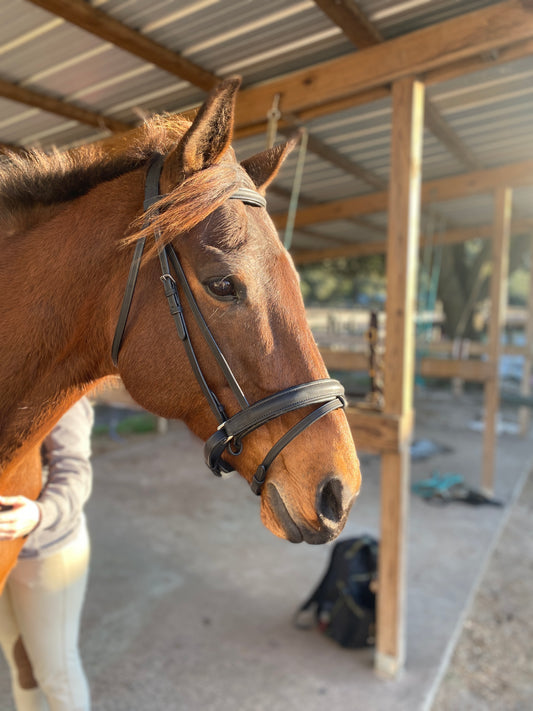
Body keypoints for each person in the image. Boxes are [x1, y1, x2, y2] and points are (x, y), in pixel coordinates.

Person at [0, 397, 94, 711]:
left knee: (56, 673)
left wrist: (40, 514)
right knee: (21, 665)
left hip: (48, 551)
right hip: (4, 554)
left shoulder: (61, 387)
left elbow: (76, 473)